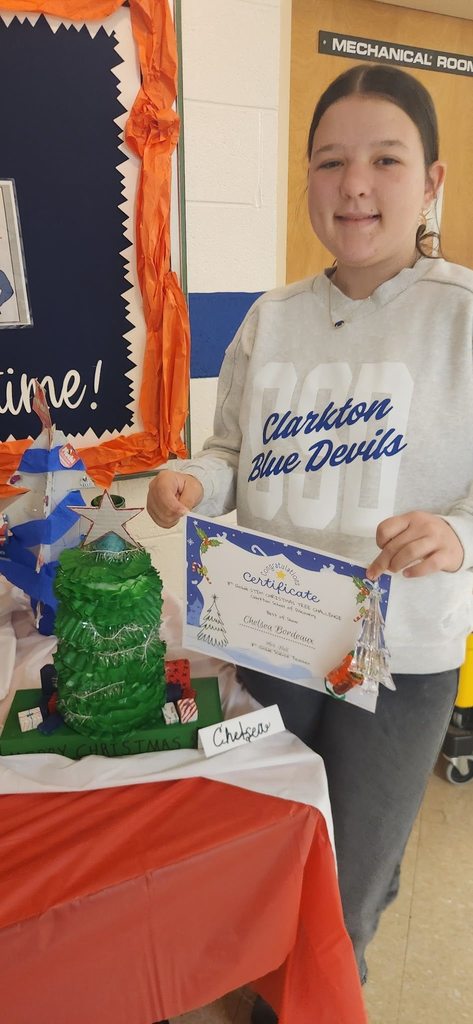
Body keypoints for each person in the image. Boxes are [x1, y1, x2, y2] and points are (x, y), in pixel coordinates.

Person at [147, 63, 473, 1023]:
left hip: (399, 657)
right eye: (329, 161)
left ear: (432, 180)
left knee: (349, 879)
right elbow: (228, 451)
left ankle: (310, 994)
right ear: (306, 179)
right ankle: (264, 965)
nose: (353, 185)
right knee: (268, 841)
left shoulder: (462, 316)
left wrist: (454, 535)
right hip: (274, 634)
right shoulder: (271, 318)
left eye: (385, 160)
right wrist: (192, 481)